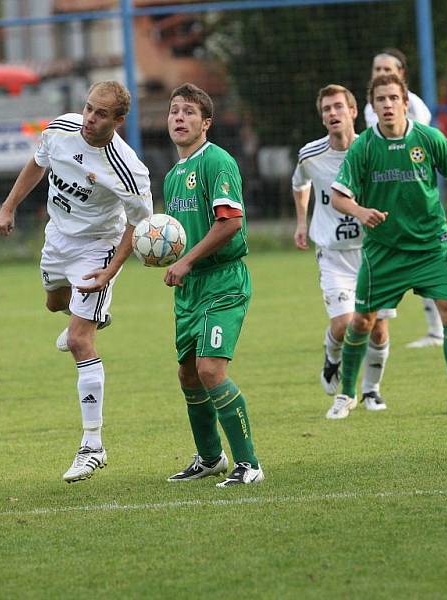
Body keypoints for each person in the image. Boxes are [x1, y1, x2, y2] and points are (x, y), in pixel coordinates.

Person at [0, 81, 153, 483]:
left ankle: (92, 446)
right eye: (88, 108)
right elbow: (37, 162)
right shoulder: (61, 129)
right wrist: (8, 207)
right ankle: (90, 315)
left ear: (118, 121)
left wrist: (111, 270)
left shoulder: (128, 169)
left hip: (97, 246)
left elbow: (139, 223)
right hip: (57, 239)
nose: (89, 118)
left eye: (100, 114)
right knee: (53, 305)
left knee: (79, 340)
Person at [331, 73, 447, 415]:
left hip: (431, 245)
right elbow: (338, 197)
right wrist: (361, 211)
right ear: (372, 108)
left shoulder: (429, 138)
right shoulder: (364, 147)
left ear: (405, 102)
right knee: (362, 321)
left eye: (393, 98)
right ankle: (345, 395)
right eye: (380, 100)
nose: (387, 105)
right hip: (384, 251)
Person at [162, 83, 263, 487]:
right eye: (173, 111)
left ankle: (249, 464)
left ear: (206, 122)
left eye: (188, 112)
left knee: (210, 369)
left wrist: (186, 260)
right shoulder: (173, 176)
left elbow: (230, 222)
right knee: (188, 374)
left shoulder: (216, 162)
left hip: (223, 281)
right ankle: (210, 458)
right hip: (190, 288)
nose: (179, 118)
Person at [292, 84, 392, 419]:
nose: (332, 114)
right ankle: (332, 358)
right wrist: (302, 223)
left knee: (377, 327)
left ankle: (372, 390)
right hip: (333, 253)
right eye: (326, 109)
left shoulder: (373, 149)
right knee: (345, 323)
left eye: (338, 107)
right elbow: (299, 184)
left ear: (353, 111)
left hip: (373, 250)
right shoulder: (311, 155)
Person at [364, 47, 444, 349]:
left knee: (426, 262)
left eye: (388, 70)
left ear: (402, 75)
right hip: (383, 197)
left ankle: (437, 330)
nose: (382, 75)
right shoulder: (370, 108)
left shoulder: (417, 109)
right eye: (377, 70)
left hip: (413, 198)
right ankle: (369, 328)